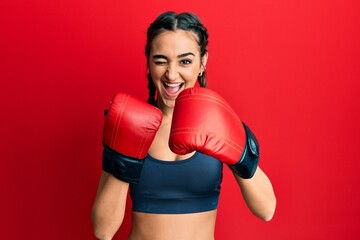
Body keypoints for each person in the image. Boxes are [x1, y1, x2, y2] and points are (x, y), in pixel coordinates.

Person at [92, 11, 276, 240]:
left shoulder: (217, 120)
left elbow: (267, 209)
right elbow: (103, 230)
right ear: (148, 61)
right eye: (160, 61)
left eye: (185, 61)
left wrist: (240, 154)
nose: (171, 74)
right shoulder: (130, 122)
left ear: (203, 62)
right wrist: (124, 151)